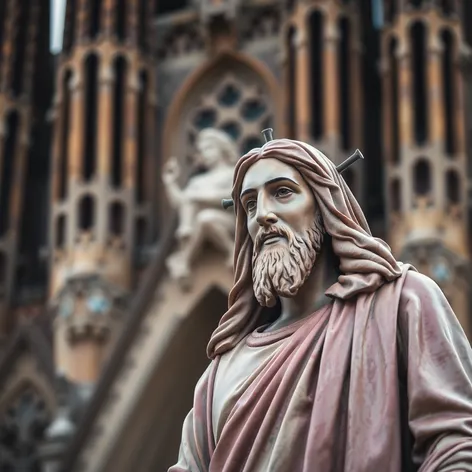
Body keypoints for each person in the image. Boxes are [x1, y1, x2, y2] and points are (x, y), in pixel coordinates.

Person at [169, 138, 472, 471]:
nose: (264, 215)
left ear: (326, 206)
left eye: (283, 192)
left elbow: (455, 443)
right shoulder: (218, 375)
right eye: (251, 204)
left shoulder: (402, 302)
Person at [163, 128, 237, 284]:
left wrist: (201, 197)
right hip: (200, 223)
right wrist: (170, 183)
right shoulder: (198, 181)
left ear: (221, 148)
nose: (205, 154)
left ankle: (233, 251)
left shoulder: (234, 173)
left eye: (209, 148)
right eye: (202, 150)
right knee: (203, 217)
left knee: (205, 217)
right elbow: (181, 202)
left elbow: (234, 198)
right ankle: (185, 235)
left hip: (232, 220)